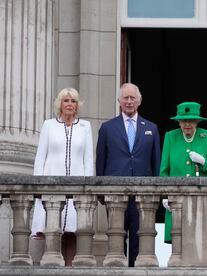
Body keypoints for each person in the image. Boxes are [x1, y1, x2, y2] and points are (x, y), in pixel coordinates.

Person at [96, 83, 161, 267]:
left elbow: (155, 162)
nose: (129, 101)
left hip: (143, 195)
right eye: (126, 98)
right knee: (116, 238)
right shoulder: (107, 128)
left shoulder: (151, 128)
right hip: (115, 193)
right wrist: (100, 190)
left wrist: (156, 190)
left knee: (140, 238)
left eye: (133, 98)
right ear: (119, 101)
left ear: (139, 101)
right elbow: (100, 160)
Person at [32, 87, 94, 266]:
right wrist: (38, 185)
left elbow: (88, 160)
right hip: (51, 186)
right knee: (51, 231)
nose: (69, 104)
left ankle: (70, 268)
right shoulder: (48, 125)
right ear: (60, 104)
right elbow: (40, 158)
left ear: (77, 105)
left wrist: (88, 188)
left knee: (73, 232)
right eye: (66, 100)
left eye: (73, 101)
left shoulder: (85, 127)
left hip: (77, 188)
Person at [160, 102, 207, 243]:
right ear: (178, 122)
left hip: (201, 197)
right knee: (178, 239)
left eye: (191, 121)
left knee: (200, 240)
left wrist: (203, 161)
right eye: (184, 121)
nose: (187, 124)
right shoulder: (170, 137)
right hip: (176, 198)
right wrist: (164, 195)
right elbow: (164, 171)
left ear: (197, 121)